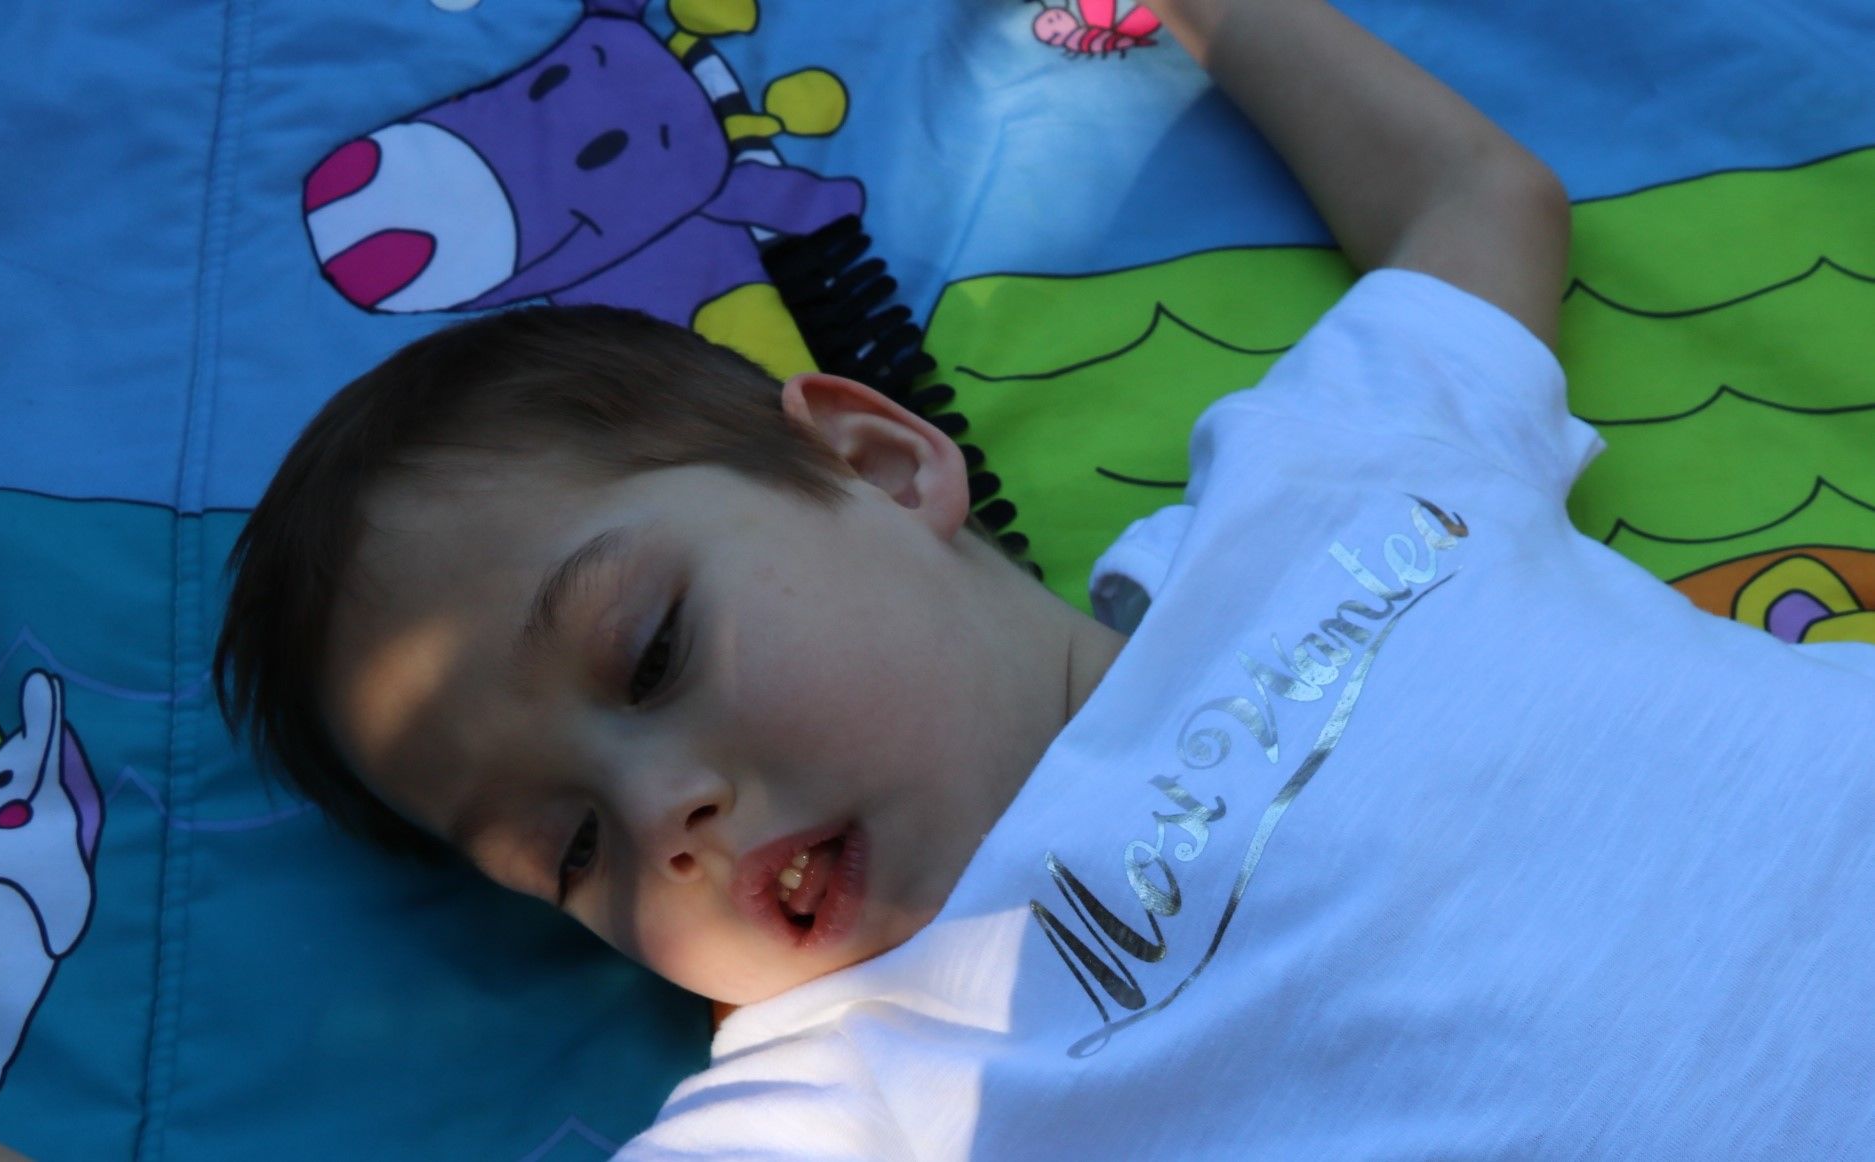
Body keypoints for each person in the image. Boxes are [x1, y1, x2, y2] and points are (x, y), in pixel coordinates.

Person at [205, 0, 1875, 1157]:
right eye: (570, 850)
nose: (663, 823)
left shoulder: (1317, 491)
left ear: (878, 463)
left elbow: (1471, 199)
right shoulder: (849, 1088)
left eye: (650, 652)